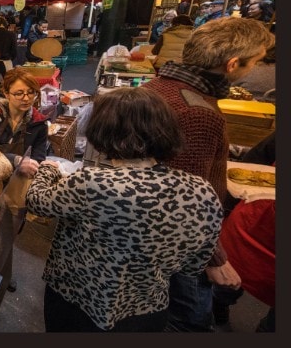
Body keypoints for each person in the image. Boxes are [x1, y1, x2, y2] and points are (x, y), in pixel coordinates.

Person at [26, 87, 223, 332]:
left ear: (102, 131)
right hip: (148, 309)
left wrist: (49, 168)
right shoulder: (202, 190)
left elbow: (37, 201)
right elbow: (194, 265)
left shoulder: (93, 182)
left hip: (77, 302)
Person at [142, 16, 274, 332]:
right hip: (182, 247)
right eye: (254, 62)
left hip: (150, 234)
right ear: (232, 64)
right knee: (189, 323)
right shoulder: (198, 112)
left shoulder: (155, 86)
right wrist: (215, 259)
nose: (254, 69)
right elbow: (185, 201)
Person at [213, 131, 275, 331]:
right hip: (258, 222)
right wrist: (226, 209)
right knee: (227, 279)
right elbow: (255, 161)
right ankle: (217, 309)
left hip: (258, 219)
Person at [0, 67, 49, 172]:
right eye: (19, 94)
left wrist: (37, 165)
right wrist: (16, 160)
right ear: (6, 94)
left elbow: (38, 158)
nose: (26, 99)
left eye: (31, 92)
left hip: (23, 176)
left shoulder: (39, 123)